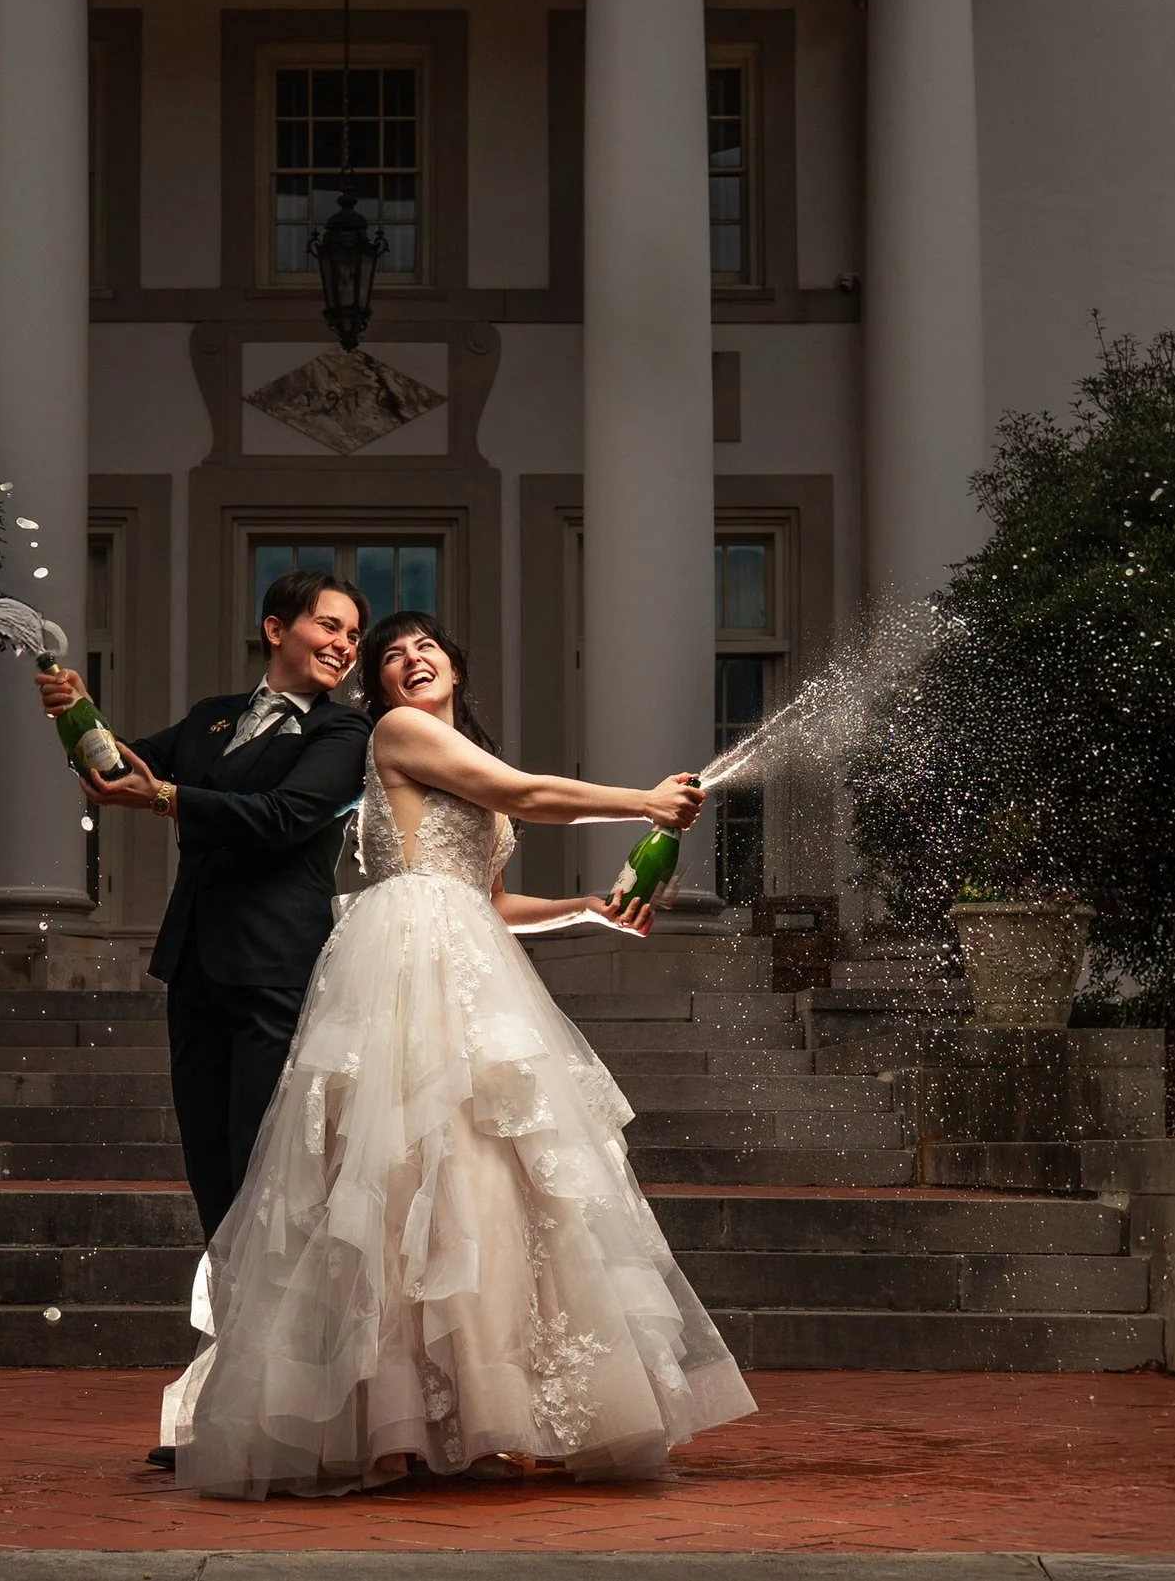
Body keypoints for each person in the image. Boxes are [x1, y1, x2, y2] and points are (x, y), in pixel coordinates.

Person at [161, 610, 757, 1500]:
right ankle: (390, 1425)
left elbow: (495, 896)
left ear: (455, 664)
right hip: (406, 958)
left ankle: (475, 1414)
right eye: (391, 655)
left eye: (426, 646)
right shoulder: (399, 734)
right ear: (378, 689)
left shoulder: (460, 752)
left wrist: (587, 907)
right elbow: (525, 795)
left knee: (482, 1179)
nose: (410, 659)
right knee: (399, 1174)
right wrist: (640, 801)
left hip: (470, 951)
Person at [35, 567, 371, 1233]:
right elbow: (115, 770)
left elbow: (282, 816)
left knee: (262, 1155)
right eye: (330, 625)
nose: (345, 644)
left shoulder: (346, 733)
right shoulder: (210, 717)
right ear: (276, 628)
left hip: (278, 965)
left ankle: (277, 1326)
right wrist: (75, 712)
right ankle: (232, 1314)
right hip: (195, 962)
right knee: (208, 1161)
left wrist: (164, 797)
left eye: (354, 635)